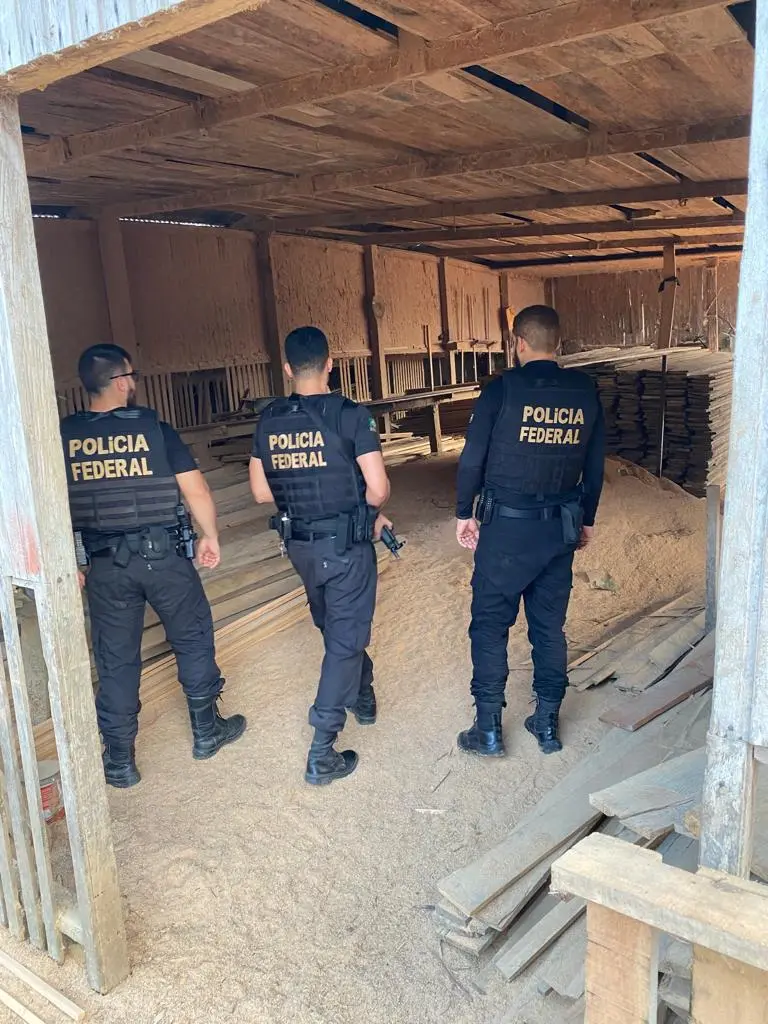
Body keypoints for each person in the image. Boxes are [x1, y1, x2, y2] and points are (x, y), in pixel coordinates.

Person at [60, 344, 246, 789]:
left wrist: (66, 560)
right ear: (121, 381)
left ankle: (119, 762)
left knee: (116, 660)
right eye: (133, 375)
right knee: (192, 637)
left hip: (105, 566)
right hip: (164, 558)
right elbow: (196, 491)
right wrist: (209, 535)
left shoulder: (64, 438)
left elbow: (50, 504)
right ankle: (207, 733)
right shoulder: (156, 431)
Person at [455, 305, 605, 757]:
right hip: (559, 530)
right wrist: (587, 519)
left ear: (518, 342)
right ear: (557, 343)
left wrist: (464, 512)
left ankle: (487, 729)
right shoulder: (584, 391)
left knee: (489, 625)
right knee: (549, 628)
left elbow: (472, 459)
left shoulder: (501, 390)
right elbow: (595, 465)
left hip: (505, 531)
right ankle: (547, 724)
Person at [249, 326, 391, 786]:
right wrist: (361, 512)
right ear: (331, 364)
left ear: (287, 369)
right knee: (344, 638)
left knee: (337, 628)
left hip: (301, 547)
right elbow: (378, 489)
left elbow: (260, 492)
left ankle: (362, 692)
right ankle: (322, 751)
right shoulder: (350, 415)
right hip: (345, 546)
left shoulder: (270, 419)